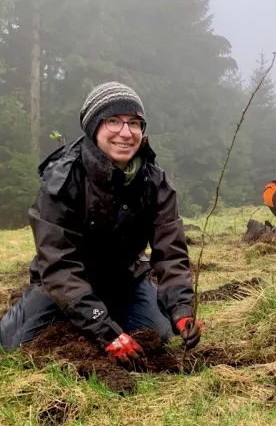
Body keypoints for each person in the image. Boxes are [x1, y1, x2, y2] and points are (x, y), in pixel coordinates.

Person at [0, 82, 202, 368]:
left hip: (126, 280)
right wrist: (104, 330)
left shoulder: (156, 182)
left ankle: (113, 311)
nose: (125, 132)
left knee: (161, 335)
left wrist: (181, 309)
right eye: (113, 121)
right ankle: (74, 313)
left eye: (134, 123)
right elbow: (58, 265)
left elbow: (171, 253)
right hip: (63, 286)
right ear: (95, 127)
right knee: (12, 344)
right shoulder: (62, 179)